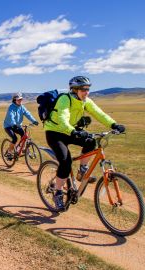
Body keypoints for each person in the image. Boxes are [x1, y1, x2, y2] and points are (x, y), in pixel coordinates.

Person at [44, 76, 126, 211]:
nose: (87, 92)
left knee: (91, 141)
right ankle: (58, 193)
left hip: (70, 131)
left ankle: (82, 170)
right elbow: (62, 118)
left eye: (88, 89)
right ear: (75, 89)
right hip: (55, 133)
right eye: (83, 89)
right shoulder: (65, 99)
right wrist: (74, 131)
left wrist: (114, 124)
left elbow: (99, 113)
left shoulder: (85, 101)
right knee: (65, 162)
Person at [3, 92, 39, 159]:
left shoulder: (22, 107)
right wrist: (14, 124)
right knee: (14, 138)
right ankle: (9, 152)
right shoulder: (11, 107)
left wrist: (34, 121)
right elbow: (11, 116)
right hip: (8, 126)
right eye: (18, 100)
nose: (20, 101)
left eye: (21, 99)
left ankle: (20, 149)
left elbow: (28, 114)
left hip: (17, 125)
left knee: (24, 135)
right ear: (14, 100)